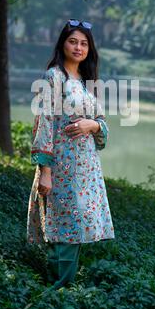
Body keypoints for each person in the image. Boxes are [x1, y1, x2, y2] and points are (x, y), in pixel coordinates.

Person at [27, 19, 115, 290]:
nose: (78, 47)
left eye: (84, 43)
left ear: (90, 48)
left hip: (87, 167)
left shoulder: (87, 82)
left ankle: (63, 288)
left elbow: (102, 124)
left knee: (78, 225)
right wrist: (46, 171)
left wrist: (94, 125)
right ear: (62, 44)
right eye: (73, 41)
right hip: (62, 165)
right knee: (63, 222)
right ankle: (57, 290)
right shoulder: (55, 76)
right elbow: (45, 124)